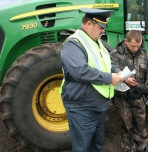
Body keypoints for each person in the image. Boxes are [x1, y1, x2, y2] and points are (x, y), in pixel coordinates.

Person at [60, 8, 122, 152]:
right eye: (100, 27)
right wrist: (109, 78)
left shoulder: (97, 42)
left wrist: (119, 73)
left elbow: (108, 61)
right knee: (83, 147)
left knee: (97, 145)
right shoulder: (73, 44)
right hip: (82, 107)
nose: (103, 31)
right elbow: (80, 71)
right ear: (88, 24)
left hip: (98, 106)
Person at [110, 30, 148, 152]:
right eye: (133, 46)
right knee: (126, 124)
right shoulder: (115, 55)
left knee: (140, 123)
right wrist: (125, 80)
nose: (136, 49)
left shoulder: (143, 54)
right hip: (122, 97)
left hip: (138, 95)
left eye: (138, 46)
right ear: (126, 41)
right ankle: (128, 148)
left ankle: (142, 147)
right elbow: (110, 72)